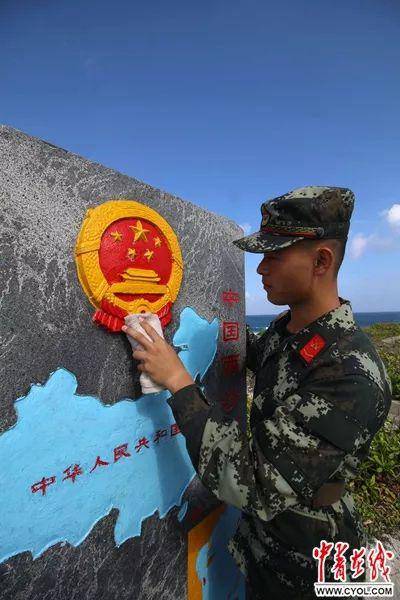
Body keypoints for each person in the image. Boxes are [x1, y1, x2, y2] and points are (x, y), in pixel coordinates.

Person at [121, 186, 392, 599]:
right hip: (266, 547)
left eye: (274, 255)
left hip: (311, 561)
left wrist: (177, 381)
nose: (261, 269)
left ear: (321, 261)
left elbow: (252, 482)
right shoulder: (293, 334)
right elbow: (257, 350)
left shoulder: (351, 374)